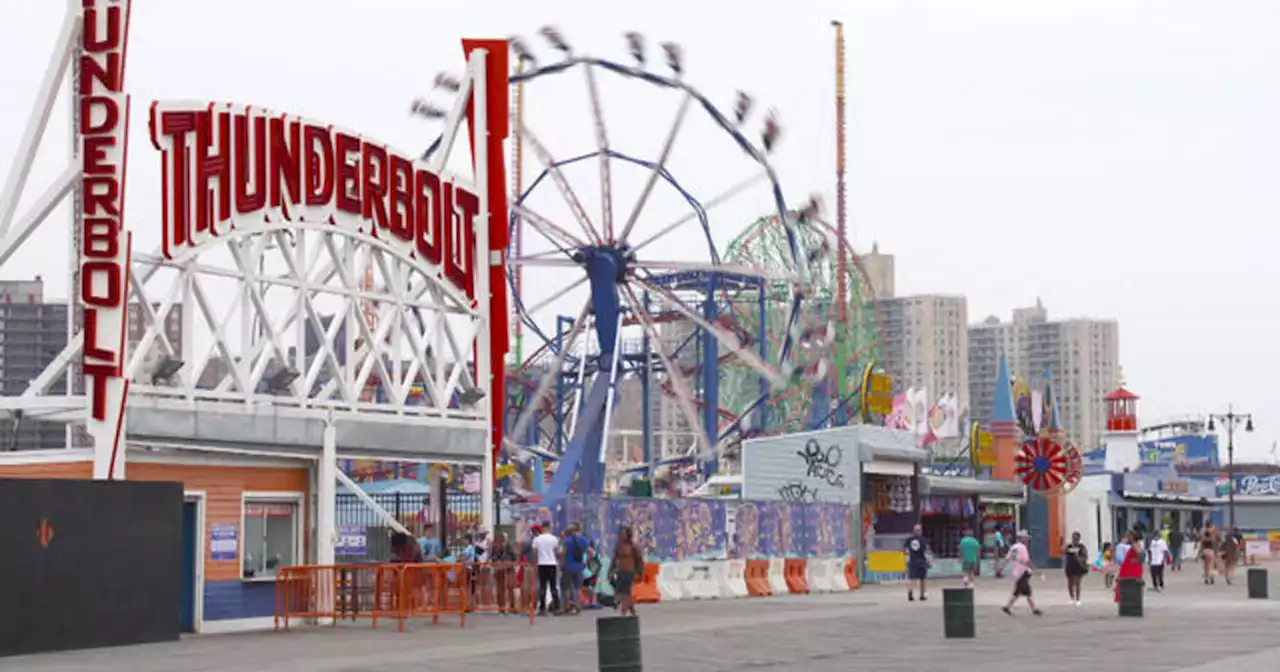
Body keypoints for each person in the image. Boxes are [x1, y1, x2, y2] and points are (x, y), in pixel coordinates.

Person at [1001, 530, 1042, 616]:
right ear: (1022, 539)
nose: (1027, 540)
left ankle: (1009, 607)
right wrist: (1035, 570)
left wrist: (1001, 568)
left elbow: (1007, 559)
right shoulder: (1023, 548)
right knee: (1023, 591)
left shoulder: (1013, 547)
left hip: (1016, 572)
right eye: (1026, 538)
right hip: (1023, 572)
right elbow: (1027, 561)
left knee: (1022, 591)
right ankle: (1009, 607)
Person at [611, 524, 644, 617]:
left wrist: (640, 573)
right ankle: (632, 612)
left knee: (624, 593)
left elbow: (639, 560)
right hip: (620, 572)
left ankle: (623, 613)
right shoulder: (618, 546)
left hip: (629, 572)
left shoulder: (633, 546)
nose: (621, 535)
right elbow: (614, 559)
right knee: (623, 593)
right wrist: (611, 570)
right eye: (620, 533)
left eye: (623, 533)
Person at [560, 523, 592, 615]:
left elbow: (563, 554)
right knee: (578, 587)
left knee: (567, 588)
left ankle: (567, 607)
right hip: (579, 567)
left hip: (568, 567)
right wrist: (586, 563)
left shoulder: (568, 541)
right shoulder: (583, 540)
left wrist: (562, 564)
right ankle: (577, 605)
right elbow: (591, 552)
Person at [531, 524, 561, 615]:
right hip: (552, 564)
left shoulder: (537, 539)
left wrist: (535, 565)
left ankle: (542, 608)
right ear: (549, 528)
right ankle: (557, 608)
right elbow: (556, 552)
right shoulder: (554, 539)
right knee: (553, 587)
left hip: (541, 564)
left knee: (542, 587)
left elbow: (535, 553)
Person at [903, 524, 931, 602]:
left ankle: (910, 593)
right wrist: (929, 561)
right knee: (923, 579)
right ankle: (922, 595)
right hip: (921, 561)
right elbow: (927, 551)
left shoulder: (909, 540)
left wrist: (906, 561)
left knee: (911, 578)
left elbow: (906, 551)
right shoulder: (923, 540)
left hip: (912, 561)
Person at [1115, 530, 1145, 603]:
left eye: (1128, 535)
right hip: (1128, 568)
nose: (1127, 537)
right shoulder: (1134, 544)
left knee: (1127, 585)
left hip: (1131, 570)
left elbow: (1141, 555)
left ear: (1132, 536)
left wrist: (1135, 560)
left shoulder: (1135, 544)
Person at [1063, 531, 1089, 606]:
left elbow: (1085, 557)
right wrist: (1065, 546)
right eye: (1073, 538)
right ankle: (1071, 598)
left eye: (1076, 538)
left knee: (1077, 583)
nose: (1074, 540)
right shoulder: (1069, 546)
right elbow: (1063, 552)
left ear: (1079, 539)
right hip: (1070, 566)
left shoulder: (1081, 547)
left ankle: (1078, 599)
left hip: (1078, 567)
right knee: (1070, 583)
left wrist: (1079, 558)